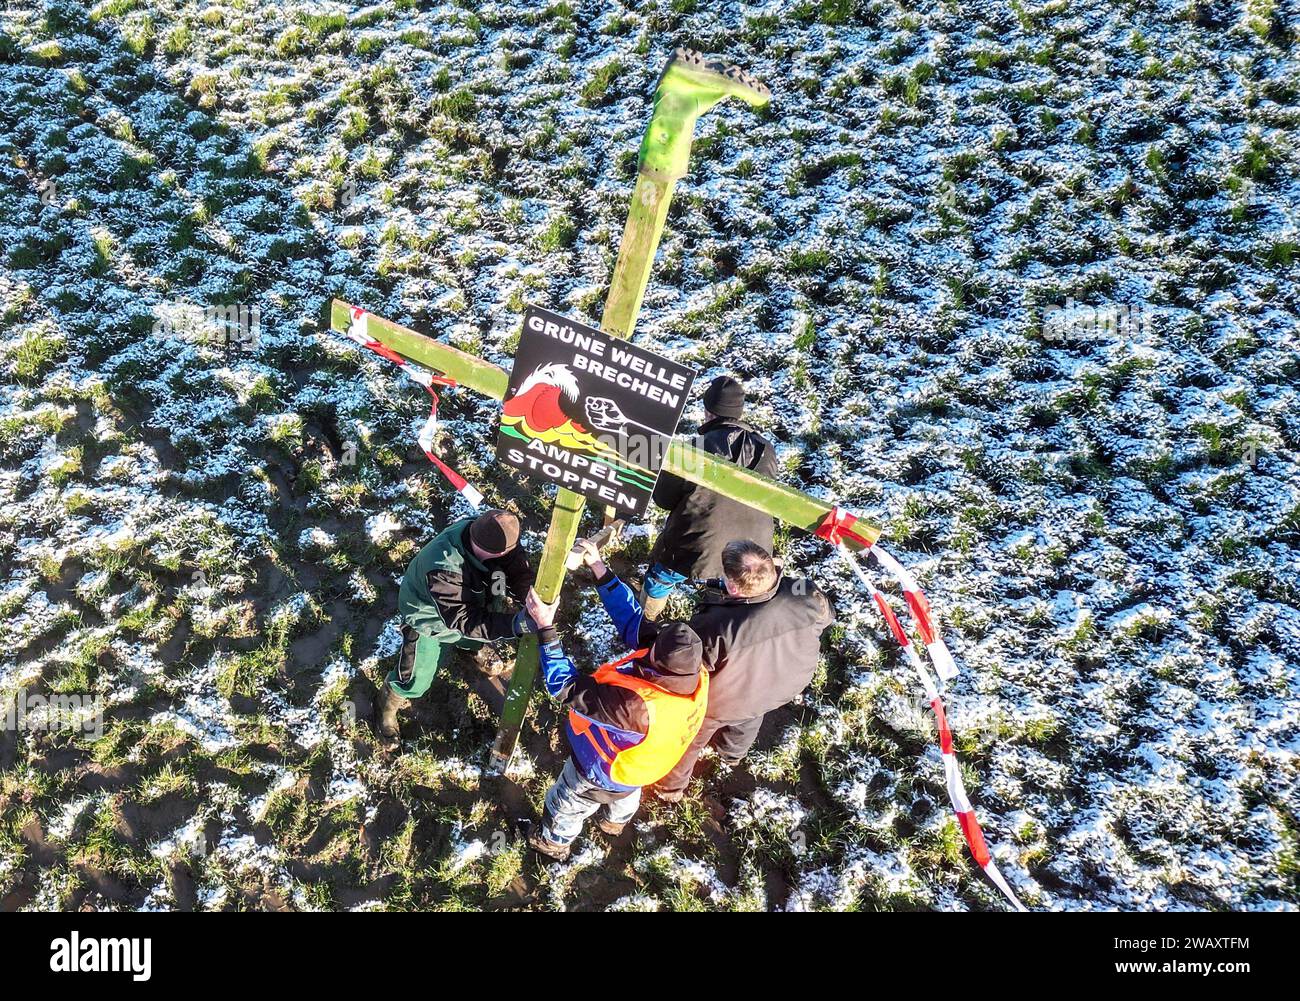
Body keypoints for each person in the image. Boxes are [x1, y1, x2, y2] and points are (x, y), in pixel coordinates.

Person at [525, 540, 709, 861]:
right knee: (626, 796)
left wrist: (545, 627)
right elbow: (632, 622)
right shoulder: (692, 674)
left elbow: (564, 686)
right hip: (643, 766)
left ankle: (553, 842)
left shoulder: (634, 706)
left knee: (567, 803)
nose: (649, 639)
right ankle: (615, 822)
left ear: (657, 659)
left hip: (599, 770)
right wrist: (599, 568)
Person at [649, 539, 834, 802]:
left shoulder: (716, 626)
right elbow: (827, 617)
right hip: (786, 683)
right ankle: (732, 754)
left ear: (733, 587)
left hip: (727, 700)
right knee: (752, 711)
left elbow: (690, 667)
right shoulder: (804, 591)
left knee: (692, 735)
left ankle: (671, 787)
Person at [376, 509, 535, 751]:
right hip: (429, 617)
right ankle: (387, 703)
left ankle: (472, 647)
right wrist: (515, 624)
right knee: (418, 678)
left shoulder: (499, 534)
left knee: (477, 631)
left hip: (472, 603)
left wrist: (529, 596)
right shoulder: (442, 567)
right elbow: (463, 620)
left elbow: (517, 569)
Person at [642, 375, 778, 620]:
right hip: (751, 552)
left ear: (707, 412)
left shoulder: (695, 448)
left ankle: (647, 620)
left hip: (696, 548)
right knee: (729, 584)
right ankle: (716, 621)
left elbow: (663, 498)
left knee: (661, 576)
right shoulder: (766, 449)